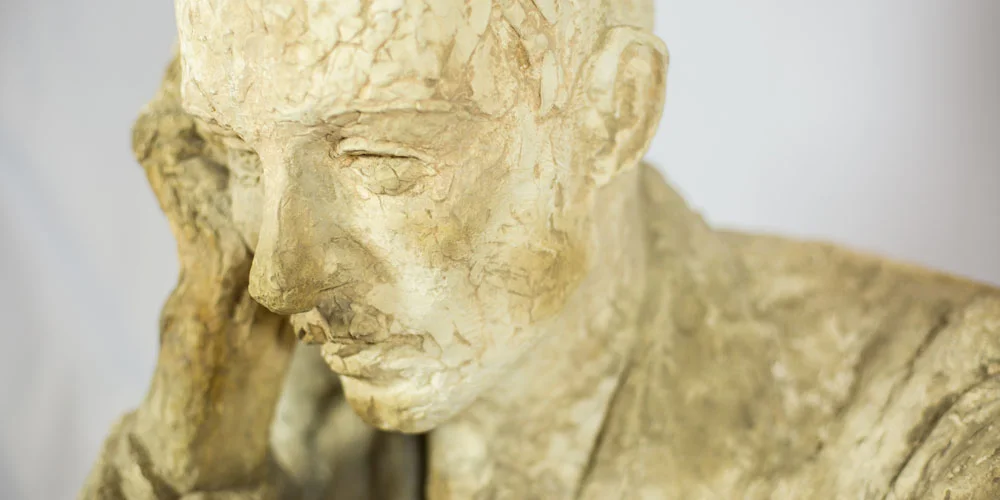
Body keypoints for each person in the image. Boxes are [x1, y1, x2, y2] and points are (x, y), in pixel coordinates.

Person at [84, 0, 1000, 498]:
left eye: (380, 157)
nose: (280, 277)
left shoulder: (941, 417)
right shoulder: (277, 417)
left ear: (612, 112)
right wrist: (194, 464)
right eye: (237, 152)